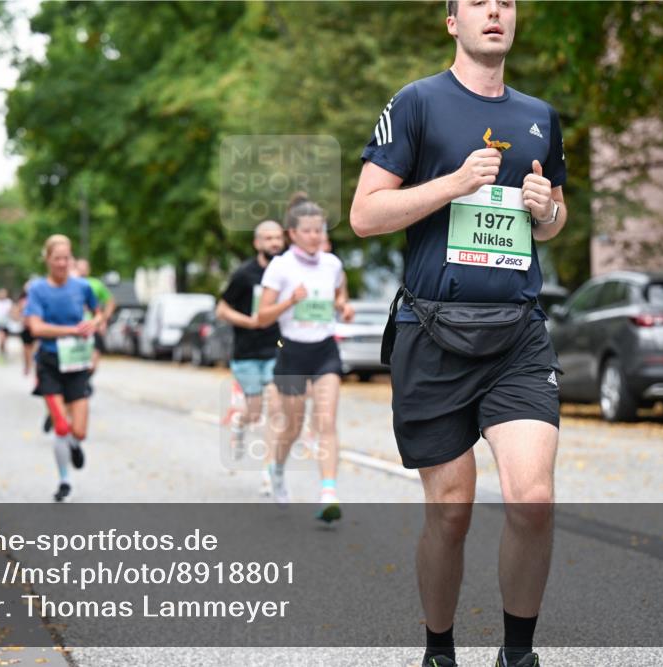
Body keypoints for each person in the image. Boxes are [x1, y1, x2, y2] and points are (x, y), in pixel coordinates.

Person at [349, 2, 568, 665]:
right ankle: (439, 649)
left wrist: (546, 210)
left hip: (517, 335)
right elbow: (364, 213)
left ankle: (517, 653)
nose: (495, 11)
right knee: (451, 509)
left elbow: (556, 217)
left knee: (532, 497)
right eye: (477, 2)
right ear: (453, 22)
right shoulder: (417, 103)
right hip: (433, 331)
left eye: (505, 2)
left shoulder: (540, 115)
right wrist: (451, 184)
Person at [256, 193, 354, 523]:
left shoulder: (332, 264)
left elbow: (341, 291)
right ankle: (277, 468)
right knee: (293, 428)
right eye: (309, 231)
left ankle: (329, 492)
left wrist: (344, 306)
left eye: (320, 230)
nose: (316, 236)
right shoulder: (280, 267)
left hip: (325, 350)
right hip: (292, 351)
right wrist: (289, 302)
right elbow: (262, 318)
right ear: (292, 234)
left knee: (326, 420)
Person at [25, 235, 102, 502]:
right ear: (47, 259)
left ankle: (74, 443)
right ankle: (64, 481)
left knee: (78, 430)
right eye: (56, 258)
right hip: (49, 363)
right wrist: (70, 330)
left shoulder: (82, 286)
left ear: (71, 259)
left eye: (66, 258)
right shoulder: (37, 289)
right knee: (60, 425)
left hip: (77, 364)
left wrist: (94, 323)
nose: (61, 263)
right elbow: (35, 327)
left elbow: (99, 312)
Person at [215, 220, 285, 480]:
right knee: (254, 412)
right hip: (247, 352)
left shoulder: (287, 273)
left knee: (275, 408)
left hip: (276, 348)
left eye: (278, 238)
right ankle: (240, 422)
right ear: (257, 243)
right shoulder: (245, 274)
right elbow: (220, 310)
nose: (275, 243)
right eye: (268, 238)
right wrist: (250, 321)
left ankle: (269, 469)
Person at [72, 259, 116, 373]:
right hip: (74, 327)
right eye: (79, 268)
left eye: (85, 268)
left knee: (92, 364)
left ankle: (85, 379)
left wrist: (104, 320)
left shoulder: (95, 284)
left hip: (93, 326)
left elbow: (110, 302)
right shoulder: (69, 283)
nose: (82, 271)